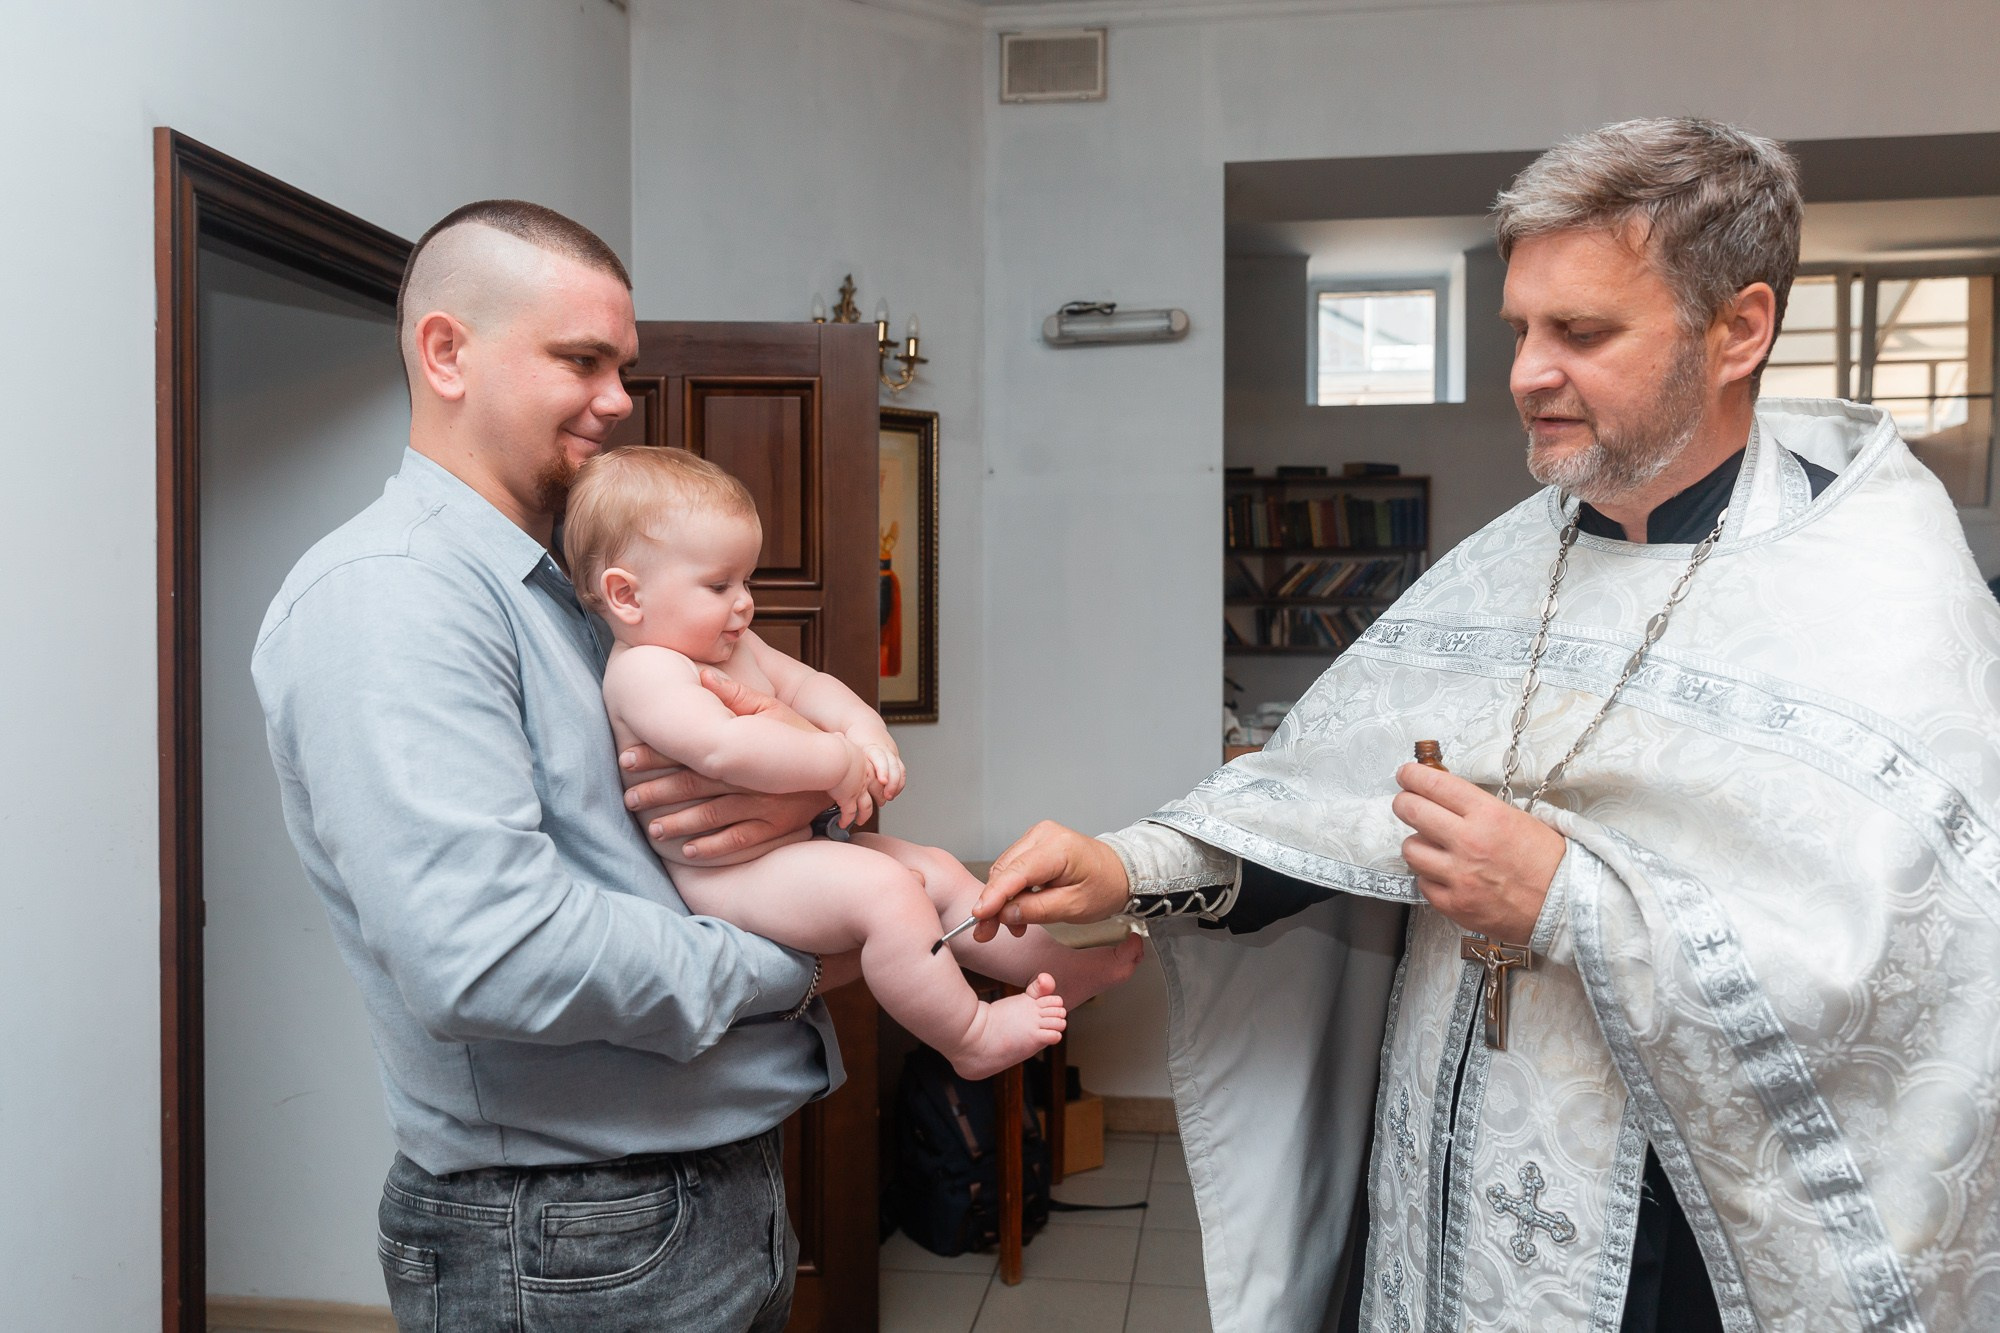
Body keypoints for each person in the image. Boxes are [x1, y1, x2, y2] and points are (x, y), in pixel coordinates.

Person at [969, 119, 2000, 1332]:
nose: (1524, 371)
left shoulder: (1878, 588)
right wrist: (1128, 862)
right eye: (1519, 327)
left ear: (1739, 330)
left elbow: (1910, 973)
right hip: (1444, 1169)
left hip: (1673, 1238)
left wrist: (1564, 900)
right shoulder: (1511, 556)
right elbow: (1328, 802)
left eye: (1582, 332)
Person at [255, 200, 848, 1332]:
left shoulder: (585, 590)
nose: (619, 401)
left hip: (680, 1197)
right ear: (446, 352)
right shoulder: (394, 595)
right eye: (581, 360)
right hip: (564, 1227)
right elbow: (486, 954)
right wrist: (786, 961)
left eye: (621, 365)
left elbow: (719, 803)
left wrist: (814, 784)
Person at [562, 445, 1141, 1078]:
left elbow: (810, 686)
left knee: (938, 871)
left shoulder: (731, 646)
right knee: (887, 895)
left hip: (792, 847)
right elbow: (723, 748)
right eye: (719, 585)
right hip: (732, 879)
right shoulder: (647, 669)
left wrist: (866, 733)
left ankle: (1055, 965)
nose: (744, 602)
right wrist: (834, 760)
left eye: (746, 581)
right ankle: (970, 1036)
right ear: (626, 595)